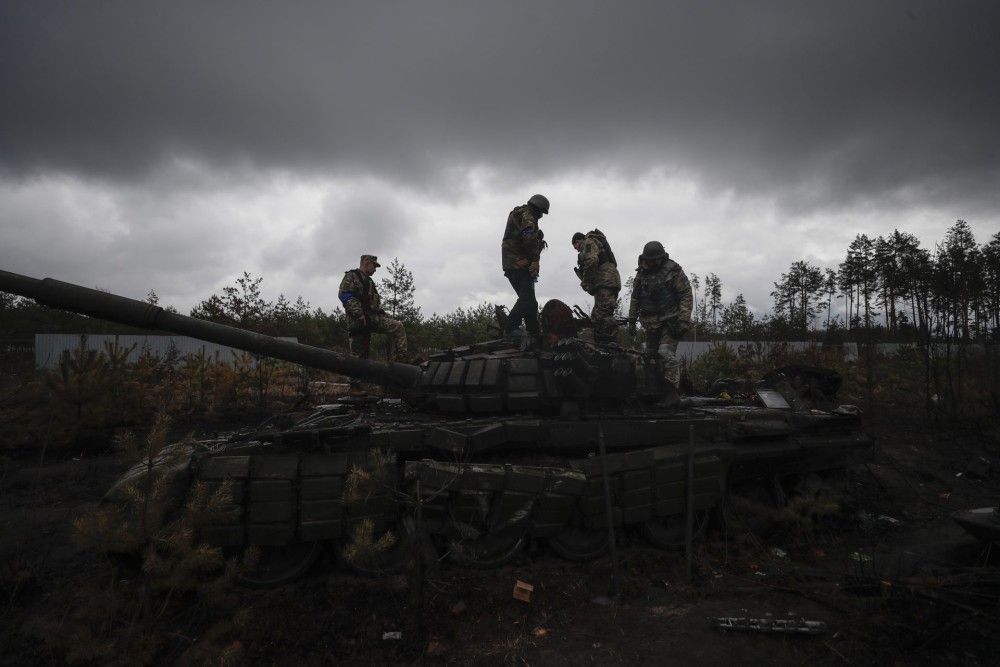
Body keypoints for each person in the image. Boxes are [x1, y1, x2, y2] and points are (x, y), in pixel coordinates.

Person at [627, 241, 692, 387]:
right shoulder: (641, 273)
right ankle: (655, 390)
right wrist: (631, 321)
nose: (655, 262)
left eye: (657, 259)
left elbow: (686, 294)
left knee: (665, 353)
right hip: (650, 323)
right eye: (652, 260)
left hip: (671, 320)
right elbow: (635, 298)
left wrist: (683, 320)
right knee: (650, 357)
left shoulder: (672, 271)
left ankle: (672, 391)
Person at [338, 254, 408, 362]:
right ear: (366, 263)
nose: (375, 270)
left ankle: (401, 362)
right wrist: (359, 314)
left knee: (397, 326)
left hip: (371, 318)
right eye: (374, 266)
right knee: (359, 358)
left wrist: (384, 315)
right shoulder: (352, 276)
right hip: (357, 321)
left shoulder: (370, 282)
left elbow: (374, 305)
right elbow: (344, 295)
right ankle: (355, 378)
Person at [501, 194, 549, 337]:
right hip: (518, 264)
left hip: (513, 263)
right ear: (538, 210)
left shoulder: (520, 213)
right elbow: (528, 239)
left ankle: (533, 333)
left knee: (531, 303)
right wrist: (535, 260)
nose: (540, 217)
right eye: (541, 214)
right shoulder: (528, 216)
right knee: (527, 299)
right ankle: (510, 329)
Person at [572, 229, 621, 344]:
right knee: (599, 315)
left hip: (605, 281)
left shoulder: (588, 242)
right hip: (609, 281)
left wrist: (585, 281)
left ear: (580, 240)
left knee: (602, 317)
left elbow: (592, 260)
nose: (576, 249)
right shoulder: (596, 242)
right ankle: (605, 344)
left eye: (576, 245)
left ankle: (609, 346)